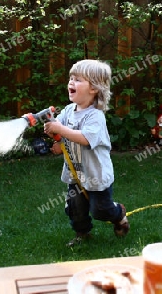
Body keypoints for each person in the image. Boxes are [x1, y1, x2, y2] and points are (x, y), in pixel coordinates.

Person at [44, 59, 129, 247]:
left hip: (96, 174)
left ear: (94, 89)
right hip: (76, 173)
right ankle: (82, 234)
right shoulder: (67, 111)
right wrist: (55, 133)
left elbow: (84, 138)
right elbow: (61, 131)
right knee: (75, 208)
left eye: (78, 79)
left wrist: (60, 129)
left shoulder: (95, 116)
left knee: (100, 210)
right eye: (71, 78)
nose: (71, 82)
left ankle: (119, 214)